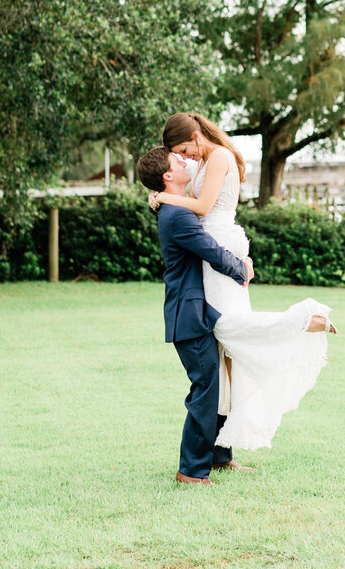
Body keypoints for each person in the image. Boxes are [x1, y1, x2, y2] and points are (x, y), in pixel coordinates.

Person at [148, 112, 336, 451]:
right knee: (225, 350)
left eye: (185, 150)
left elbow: (203, 206)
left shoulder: (219, 155)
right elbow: (187, 198)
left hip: (219, 241)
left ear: (195, 134)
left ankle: (301, 322)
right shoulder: (205, 160)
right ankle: (222, 449)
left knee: (228, 327)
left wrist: (163, 198)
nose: (186, 158)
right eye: (180, 155)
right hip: (215, 243)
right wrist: (161, 194)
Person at [135, 146, 254, 486]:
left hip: (196, 310)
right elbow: (213, 253)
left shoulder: (176, 209)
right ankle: (190, 470)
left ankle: (219, 456)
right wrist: (241, 268)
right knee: (205, 387)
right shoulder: (180, 217)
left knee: (215, 385)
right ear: (168, 176)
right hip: (188, 314)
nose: (185, 161)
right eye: (178, 160)